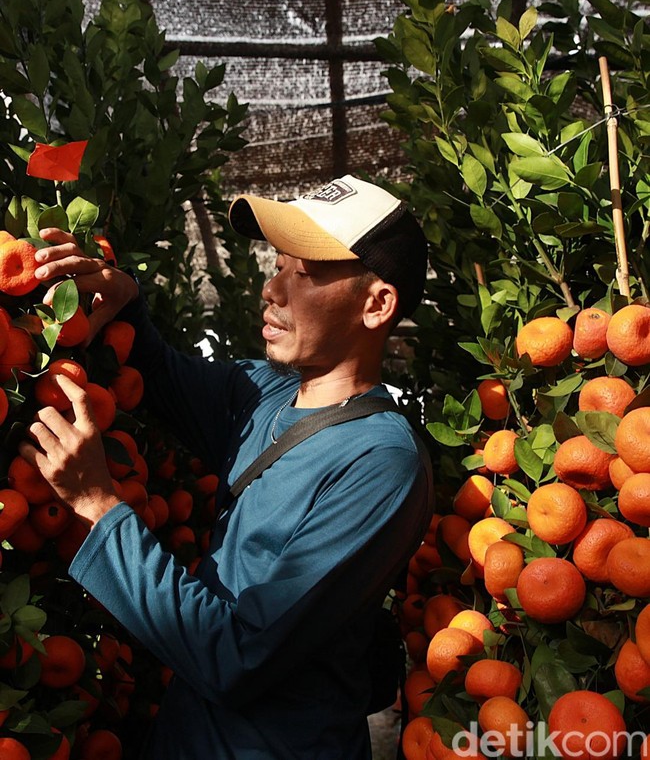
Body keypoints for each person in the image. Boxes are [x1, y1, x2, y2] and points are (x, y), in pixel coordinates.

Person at [21, 174, 434, 760]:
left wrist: (98, 505)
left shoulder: (379, 463)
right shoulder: (264, 392)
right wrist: (122, 300)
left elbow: (238, 654)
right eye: (278, 265)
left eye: (305, 272)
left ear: (376, 304)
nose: (271, 289)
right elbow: (159, 375)